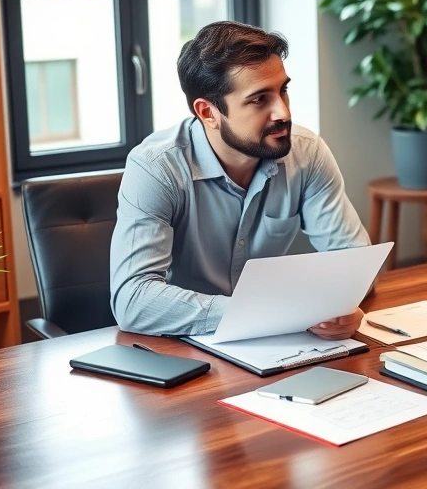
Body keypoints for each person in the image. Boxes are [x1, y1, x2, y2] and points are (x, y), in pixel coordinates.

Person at [110, 21, 371, 338]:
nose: (283, 113)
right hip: (182, 348)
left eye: (283, 90)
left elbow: (357, 265)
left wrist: (335, 309)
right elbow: (133, 301)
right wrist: (269, 312)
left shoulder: (307, 153)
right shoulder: (156, 168)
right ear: (208, 113)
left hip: (277, 343)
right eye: (259, 99)